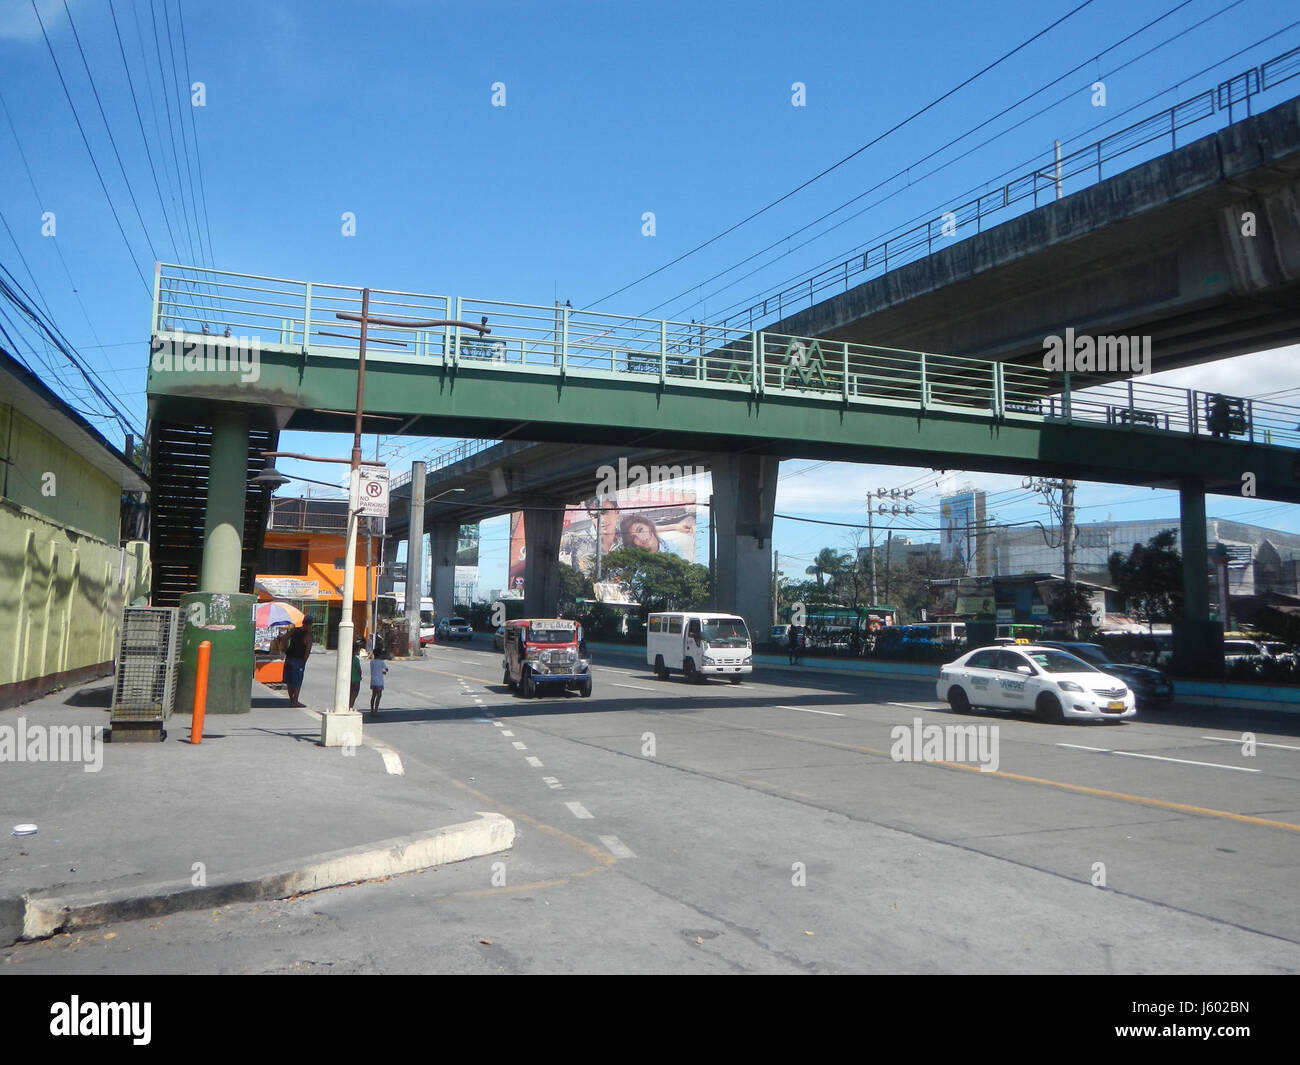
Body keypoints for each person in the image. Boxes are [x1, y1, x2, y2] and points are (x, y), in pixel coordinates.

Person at [283, 621, 313, 707]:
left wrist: (285, 649)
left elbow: (285, 638)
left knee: (289, 680)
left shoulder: (294, 630)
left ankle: (291, 699)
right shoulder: (308, 636)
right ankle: (295, 701)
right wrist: (304, 662)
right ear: (309, 625)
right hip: (298, 660)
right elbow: (307, 650)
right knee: (297, 681)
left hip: (289, 658)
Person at [369, 646, 388, 715]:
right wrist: (383, 672)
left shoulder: (371, 662)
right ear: (380, 655)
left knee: (373, 695)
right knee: (379, 695)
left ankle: (371, 710)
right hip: (379, 682)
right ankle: (376, 710)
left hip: (373, 681)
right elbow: (386, 669)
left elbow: (375, 670)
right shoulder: (381, 662)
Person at [349, 639, 363, 709]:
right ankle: (351, 706)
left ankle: (349, 705)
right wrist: (360, 676)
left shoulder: (348, 658)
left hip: (349, 679)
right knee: (355, 694)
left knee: (350, 693)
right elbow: (359, 669)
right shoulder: (356, 659)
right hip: (356, 679)